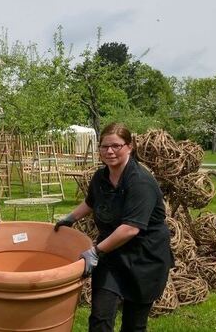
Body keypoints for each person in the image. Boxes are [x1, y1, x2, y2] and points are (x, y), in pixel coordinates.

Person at [54, 122, 173, 332]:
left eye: (116, 146)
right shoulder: (101, 177)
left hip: (145, 258)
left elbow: (130, 228)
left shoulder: (140, 182)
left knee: (134, 325)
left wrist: (96, 250)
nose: (109, 151)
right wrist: (69, 219)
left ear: (129, 147)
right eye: (104, 146)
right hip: (112, 255)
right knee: (100, 317)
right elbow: (91, 203)